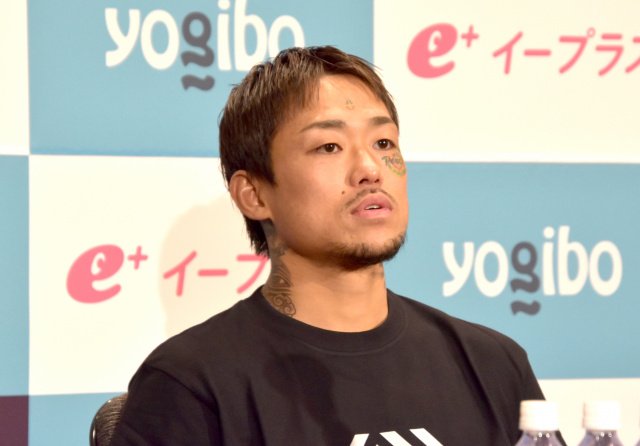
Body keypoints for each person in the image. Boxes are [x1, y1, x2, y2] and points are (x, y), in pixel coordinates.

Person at [111, 46, 552, 446]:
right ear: (254, 194)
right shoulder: (191, 384)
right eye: (329, 146)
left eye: (383, 142)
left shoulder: (492, 363)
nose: (370, 169)